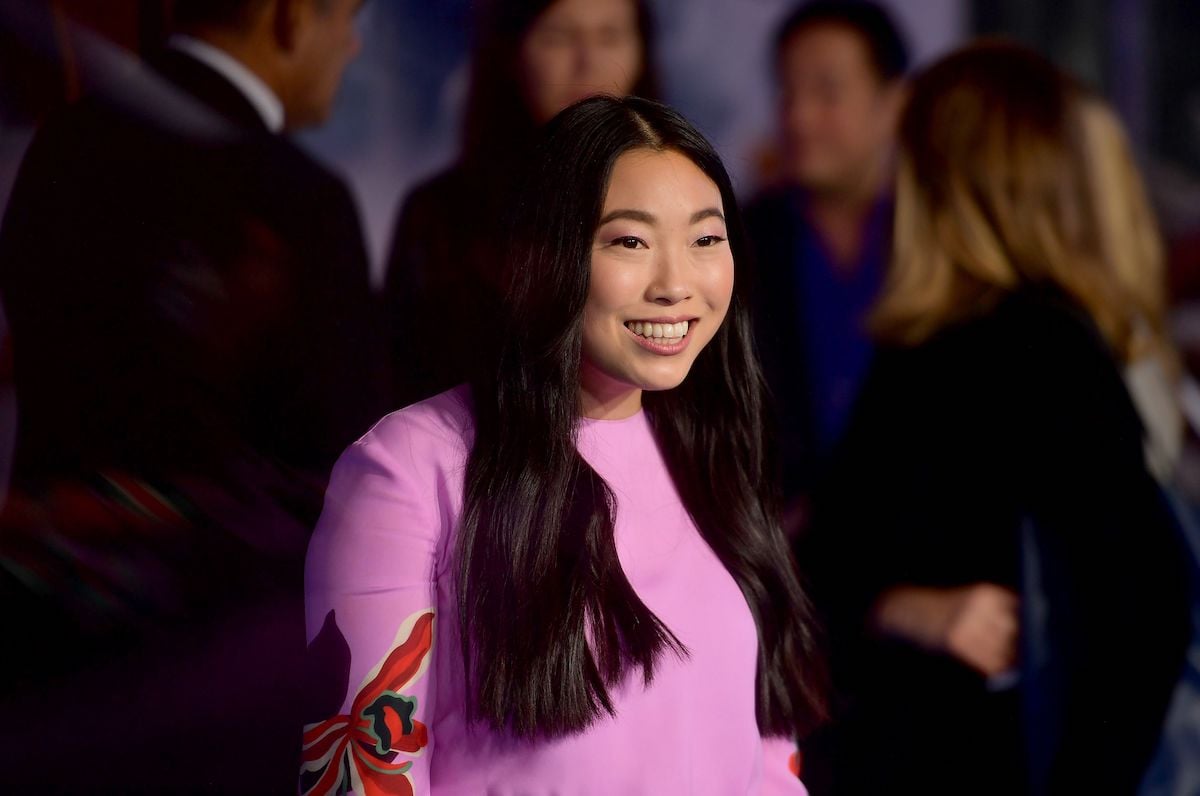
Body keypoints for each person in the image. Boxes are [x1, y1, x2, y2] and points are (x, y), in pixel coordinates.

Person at [302, 95, 827, 794]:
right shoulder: (408, 468)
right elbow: (364, 775)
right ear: (541, 255)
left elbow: (767, 747)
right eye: (630, 242)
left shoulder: (714, 450)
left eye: (705, 239)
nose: (676, 285)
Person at [0, 0, 385, 790]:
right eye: (346, 16)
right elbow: (339, 469)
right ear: (290, 17)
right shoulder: (297, 198)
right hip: (217, 677)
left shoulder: (54, 152)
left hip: (41, 640)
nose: (350, 45)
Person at [804, 41, 1191, 795]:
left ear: (943, 175)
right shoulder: (933, 342)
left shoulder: (1036, 347)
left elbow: (1144, 612)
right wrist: (905, 609)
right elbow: (831, 565)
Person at [383, 0, 660, 408]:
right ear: (511, 52)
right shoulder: (439, 217)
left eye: (610, 36)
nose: (589, 62)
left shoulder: (682, 203)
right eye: (559, 37)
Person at [745, 0, 908, 528]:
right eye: (788, 92)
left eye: (827, 93)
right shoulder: (737, 240)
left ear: (894, 103)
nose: (799, 118)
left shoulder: (938, 244)